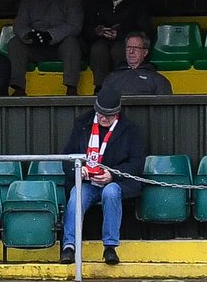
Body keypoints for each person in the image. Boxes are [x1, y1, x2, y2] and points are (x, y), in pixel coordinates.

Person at [62, 85, 145, 267]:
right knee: (77, 195)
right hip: (87, 181)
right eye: (101, 114)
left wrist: (112, 175)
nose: (104, 118)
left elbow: (137, 163)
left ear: (118, 113)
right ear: (96, 109)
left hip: (115, 181)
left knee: (111, 193)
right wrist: (79, 169)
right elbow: (67, 157)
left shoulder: (130, 130)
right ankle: (69, 246)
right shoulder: (82, 124)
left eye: (109, 115)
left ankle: (110, 247)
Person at [8, 0, 85, 96]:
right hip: (36, 45)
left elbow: (75, 25)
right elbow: (19, 24)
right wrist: (29, 35)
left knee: (72, 43)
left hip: (60, 45)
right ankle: (18, 88)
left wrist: (50, 35)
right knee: (15, 43)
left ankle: (71, 88)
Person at [86, 0, 152, 89]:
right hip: (101, 40)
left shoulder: (138, 2)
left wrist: (121, 34)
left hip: (125, 40)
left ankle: (120, 85)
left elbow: (145, 30)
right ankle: (100, 87)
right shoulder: (99, 0)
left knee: (120, 51)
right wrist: (97, 32)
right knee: (97, 50)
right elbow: (87, 27)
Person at [98, 31, 173, 102]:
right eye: (128, 48)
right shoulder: (112, 78)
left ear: (145, 52)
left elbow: (165, 111)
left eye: (136, 48)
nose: (131, 51)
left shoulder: (158, 80)